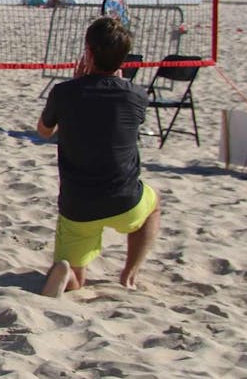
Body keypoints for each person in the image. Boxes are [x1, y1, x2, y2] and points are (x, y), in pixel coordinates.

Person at [36, 16, 161, 297]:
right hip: (125, 199)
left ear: (88, 53)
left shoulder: (64, 92)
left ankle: (69, 276)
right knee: (153, 206)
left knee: (76, 275)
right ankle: (129, 274)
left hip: (78, 205)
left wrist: (79, 85)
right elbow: (112, 116)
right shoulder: (137, 95)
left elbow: (44, 132)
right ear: (124, 61)